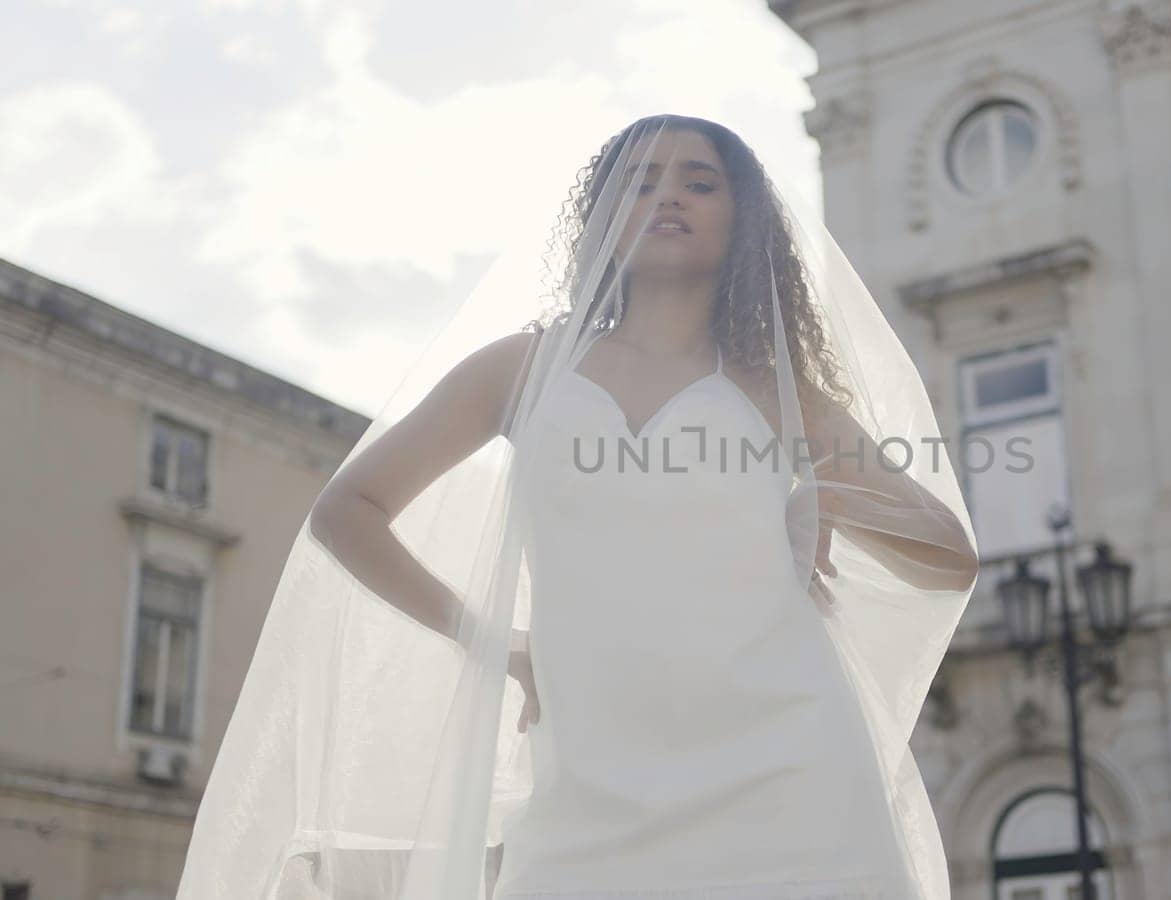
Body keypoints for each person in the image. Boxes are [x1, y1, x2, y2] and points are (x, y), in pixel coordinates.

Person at [175, 114, 979, 900]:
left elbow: (950, 554)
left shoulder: (777, 389)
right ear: (600, 218)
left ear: (742, 221)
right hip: (587, 773)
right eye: (637, 181)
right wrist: (496, 642)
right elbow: (347, 510)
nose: (668, 195)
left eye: (699, 181)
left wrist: (826, 495)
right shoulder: (521, 370)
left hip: (790, 765)